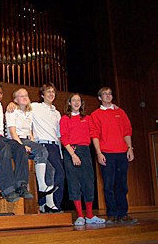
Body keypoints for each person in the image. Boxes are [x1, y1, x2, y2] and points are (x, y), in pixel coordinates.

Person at [7, 83, 64, 212]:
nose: (25, 97)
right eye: (21, 96)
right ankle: (42, 187)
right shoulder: (19, 109)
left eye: (26, 95)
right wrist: (22, 146)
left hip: (32, 141)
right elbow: (12, 132)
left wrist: (32, 143)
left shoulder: (29, 112)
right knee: (42, 151)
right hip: (18, 141)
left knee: (51, 170)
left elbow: (30, 132)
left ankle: (49, 204)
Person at [0, 82, 33, 202]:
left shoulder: (0, 106)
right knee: (5, 148)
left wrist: (12, 103)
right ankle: (8, 189)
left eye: (0, 93)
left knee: (20, 147)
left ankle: (21, 185)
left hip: (1, 136)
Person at [89, 87, 137, 224]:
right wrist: (99, 153)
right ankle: (111, 214)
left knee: (122, 184)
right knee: (108, 185)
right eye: (105, 94)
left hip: (122, 153)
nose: (108, 96)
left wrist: (130, 148)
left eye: (110, 94)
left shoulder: (120, 112)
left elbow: (127, 132)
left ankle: (123, 213)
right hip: (106, 154)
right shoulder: (95, 114)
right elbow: (94, 135)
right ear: (99, 98)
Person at [60, 93, 105, 226]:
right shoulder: (64, 119)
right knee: (74, 182)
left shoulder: (87, 118)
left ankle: (89, 215)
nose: (76, 102)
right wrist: (73, 155)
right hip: (70, 151)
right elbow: (64, 138)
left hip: (85, 151)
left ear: (81, 103)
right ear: (69, 103)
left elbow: (94, 133)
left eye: (78, 100)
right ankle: (80, 215)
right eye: (73, 100)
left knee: (88, 182)